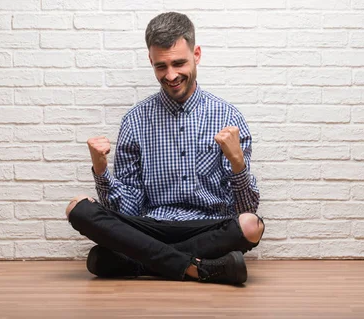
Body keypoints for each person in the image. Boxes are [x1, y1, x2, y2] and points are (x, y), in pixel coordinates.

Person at [65, 12, 265, 285]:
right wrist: (101, 170)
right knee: (77, 208)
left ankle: (137, 262)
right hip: (151, 227)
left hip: (206, 227)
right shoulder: (135, 121)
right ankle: (199, 268)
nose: (171, 75)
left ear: (197, 54)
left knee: (251, 227)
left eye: (179, 63)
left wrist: (238, 163)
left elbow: (246, 209)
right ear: (151, 61)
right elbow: (129, 209)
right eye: (161, 66)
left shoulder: (229, 118)